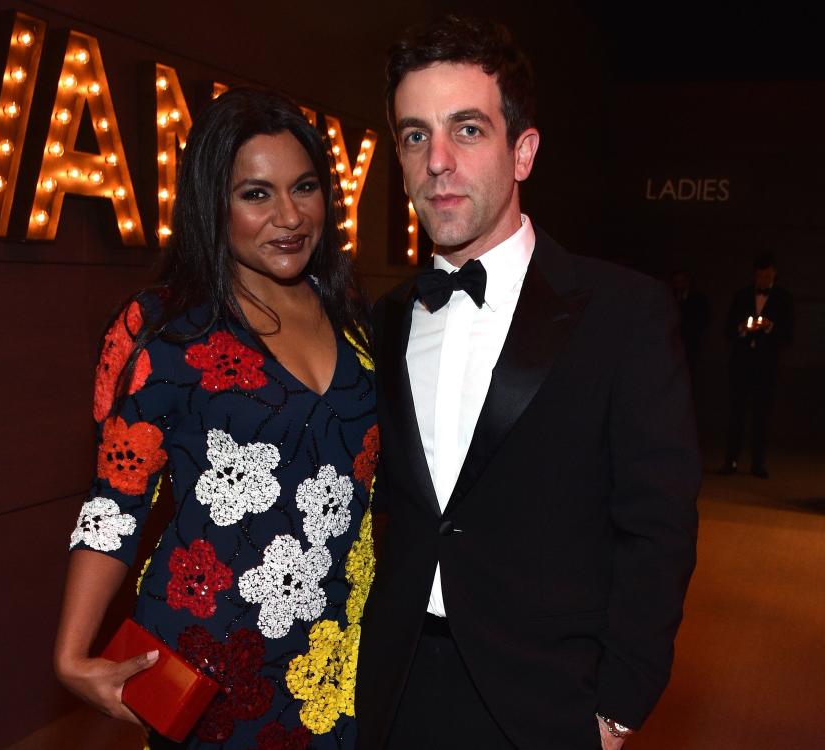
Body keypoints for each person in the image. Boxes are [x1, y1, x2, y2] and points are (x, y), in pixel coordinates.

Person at [356, 15, 700, 750]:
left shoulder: (623, 312)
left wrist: (619, 706)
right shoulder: (385, 320)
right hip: (397, 690)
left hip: (546, 703)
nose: (438, 161)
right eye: (416, 135)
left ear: (523, 151)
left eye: (468, 130)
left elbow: (658, 525)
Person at [54, 88, 378, 749]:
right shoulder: (165, 332)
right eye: (256, 194)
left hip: (338, 657)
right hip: (209, 665)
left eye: (305, 187)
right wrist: (71, 652)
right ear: (213, 204)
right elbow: (115, 501)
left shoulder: (357, 324)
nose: (288, 216)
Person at [720, 253, 794, 478]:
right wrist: (743, 328)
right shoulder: (742, 295)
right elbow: (727, 329)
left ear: (774, 274)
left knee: (762, 414)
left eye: (767, 275)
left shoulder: (783, 298)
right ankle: (731, 460)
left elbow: (788, 335)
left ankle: (758, 463)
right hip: (741, 363)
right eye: (759, 275)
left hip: (766, 365)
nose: (763, 279)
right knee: (736, 413)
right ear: (754, 275)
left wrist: (770, 327)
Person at [671, 269, 709, 378]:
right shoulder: (670, 298)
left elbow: (702, 320)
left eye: (682, 281)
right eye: (676, 282)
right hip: (672, 344)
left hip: (691, 343)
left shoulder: (698, 299)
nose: (679, 285)